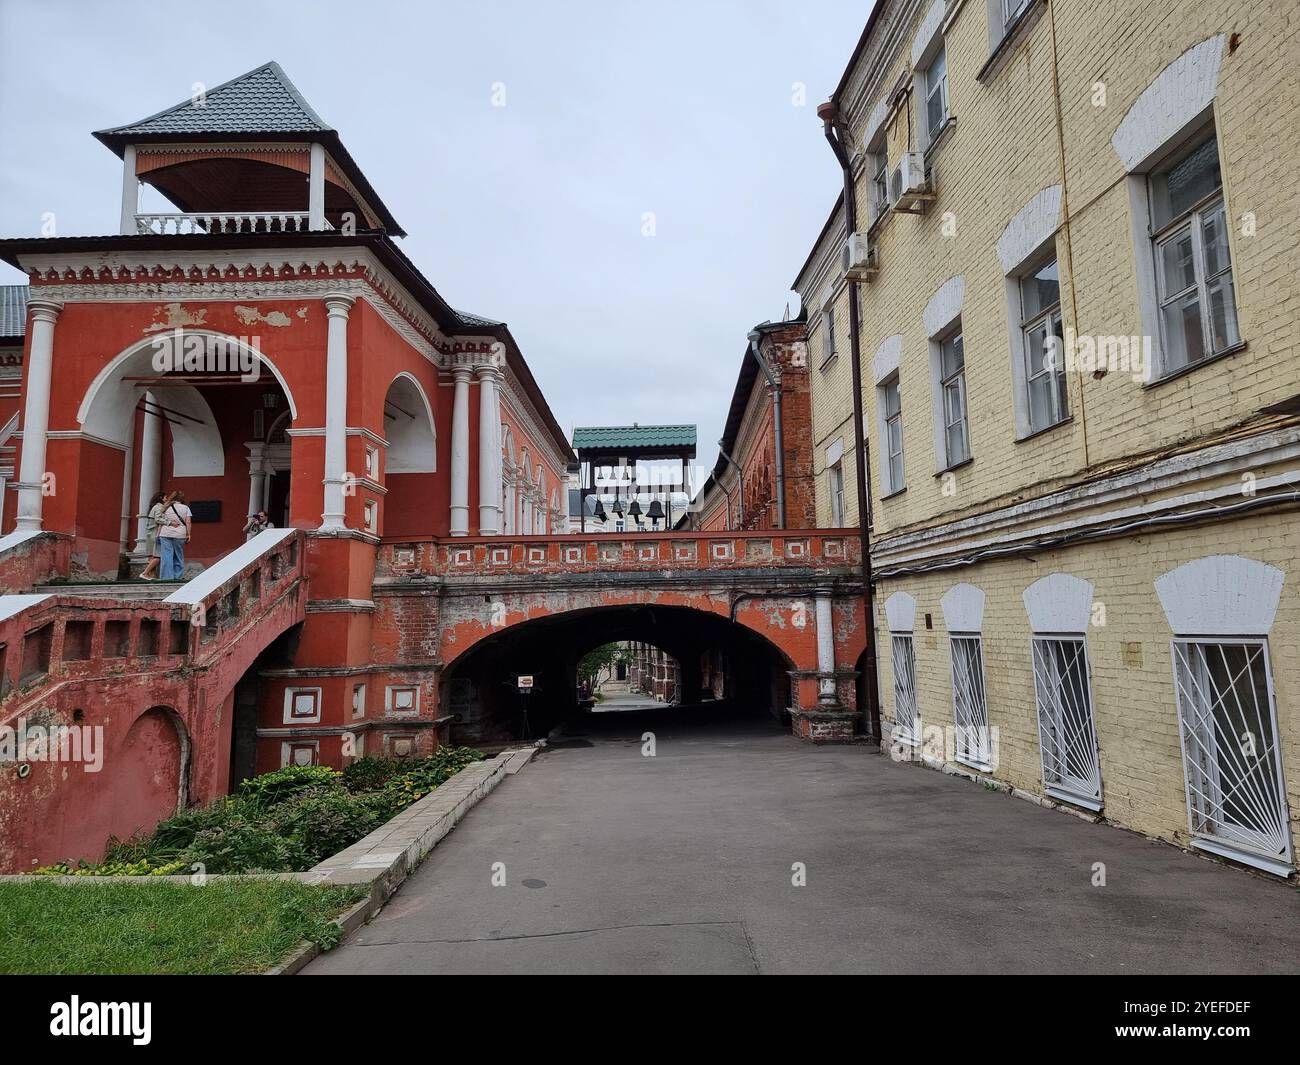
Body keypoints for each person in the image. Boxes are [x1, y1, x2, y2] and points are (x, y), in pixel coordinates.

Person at [157, 490, 192, 580]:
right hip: (180, 534)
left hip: (165, 534)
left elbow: (160, 522)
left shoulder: (166, 507)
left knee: (166, 556)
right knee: (178, 556)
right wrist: (188, 534)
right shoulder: (186, 508)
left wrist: (158, 534)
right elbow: (188, 522)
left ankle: (166, 577)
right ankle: (177, 576)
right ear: (182, 498)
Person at [139, 491, 166, 580]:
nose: (167, 499)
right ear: (161, 498)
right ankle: (145, 573)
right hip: (155, 533)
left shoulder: (153, 507)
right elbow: (158, 519)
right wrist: (169, 522)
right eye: (165, 497)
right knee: (158, 556)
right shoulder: (159, 507)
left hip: (150, 533)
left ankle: (151, 575)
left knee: (152, 556)